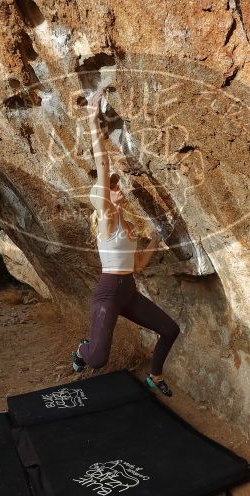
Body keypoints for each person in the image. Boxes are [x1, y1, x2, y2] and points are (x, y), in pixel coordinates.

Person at [71, 90, 181, 397]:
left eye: (117, 186)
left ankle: (155, 375)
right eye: (111, 188)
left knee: (170, 330)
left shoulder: (127, 226)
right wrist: (93, 120)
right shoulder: (106, 219)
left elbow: (138, 265)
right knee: (97, 360)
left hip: (128, 290)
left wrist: (158, 236)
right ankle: (81, 349)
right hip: (107, 294)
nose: (117, 187)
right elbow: (102, 164)